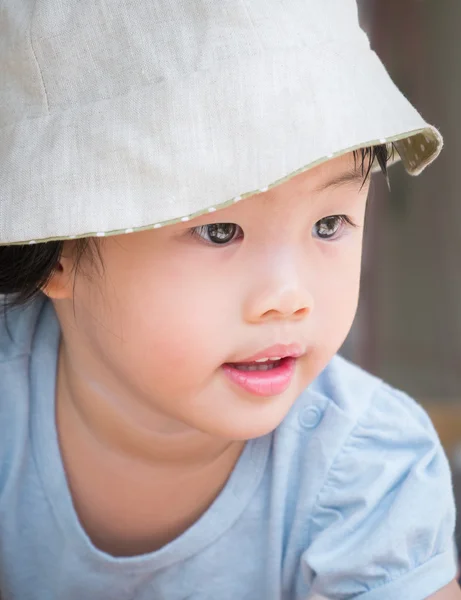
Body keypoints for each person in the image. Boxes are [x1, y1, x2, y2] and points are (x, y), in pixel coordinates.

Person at [0, 0, 458, 598]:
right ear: (55, 248)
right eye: (219, 232)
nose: (289, 298)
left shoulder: (369, 475)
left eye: (328, 225)